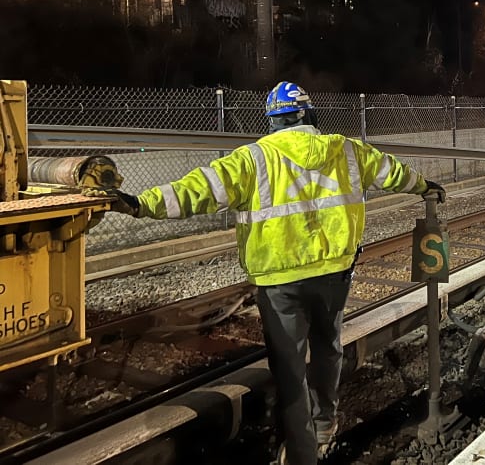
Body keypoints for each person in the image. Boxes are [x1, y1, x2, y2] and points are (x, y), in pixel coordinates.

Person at [105, 82, 446, 465]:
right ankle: (324, 423)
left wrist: (140, 204)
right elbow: (393, 172)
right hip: (333, 273)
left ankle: (301, 452)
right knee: (327, 348)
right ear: (309, 114)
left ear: (272, 121)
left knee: (289, 366)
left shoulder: (252, 160)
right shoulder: (347, 150)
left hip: (279, 282)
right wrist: (425, 187)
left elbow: (195, 191)